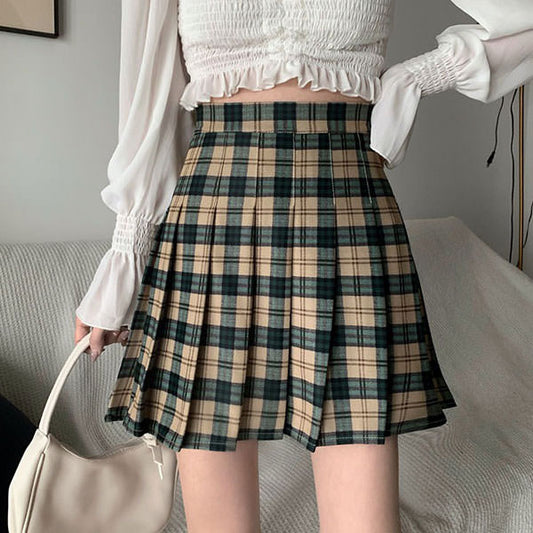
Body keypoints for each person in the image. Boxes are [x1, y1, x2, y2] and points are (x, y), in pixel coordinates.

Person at [74, 1, 533, 532]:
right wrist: (125, 262)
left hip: (347, 207)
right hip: (215, 210)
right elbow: (148, 104)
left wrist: (418, 77)